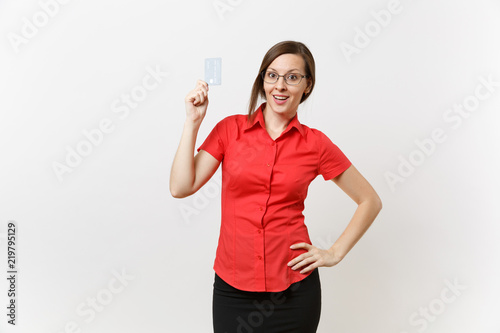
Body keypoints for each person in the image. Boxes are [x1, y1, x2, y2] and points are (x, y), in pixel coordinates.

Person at [170, 40, 382, 333]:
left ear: (307, 85)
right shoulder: (229, 130)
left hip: (294, 291)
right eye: (272, 75)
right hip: (233, 288)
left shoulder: (316, 144)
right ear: (262, 81)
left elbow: (369, 200)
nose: (280, 86)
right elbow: (181, 187)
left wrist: (335, 252)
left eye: (292, 77)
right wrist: (192, 123)